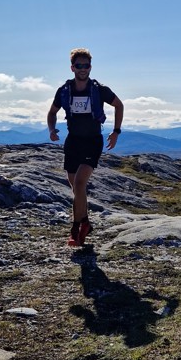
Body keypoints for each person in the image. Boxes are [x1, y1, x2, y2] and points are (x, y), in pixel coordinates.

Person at [47, 48, 124, 247]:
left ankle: (75, 230)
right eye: (79, 66)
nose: (83, 69)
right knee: (76, 188)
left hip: (92, 141)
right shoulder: (65, 90)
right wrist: (52, 130)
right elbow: (52, 112)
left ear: (90, 67)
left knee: (80, 184)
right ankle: (86, 223)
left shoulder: (99, 90)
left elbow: (119, 105)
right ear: (72, 68)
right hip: (73, 141)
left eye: (86, 65)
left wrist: (116, 131)